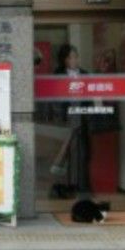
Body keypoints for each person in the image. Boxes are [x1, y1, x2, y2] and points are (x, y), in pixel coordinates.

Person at [53, 44, 92, 198]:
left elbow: (90, 97)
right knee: (66, 152)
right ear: (64, 60)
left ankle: (81, 186)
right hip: (66, 116)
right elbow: (54, 98)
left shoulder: (85, 74)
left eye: (75, 57)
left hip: (81, 116)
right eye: (70, 57)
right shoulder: (58, 75)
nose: (74, 60)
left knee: (81, 153)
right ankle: (64, 186)